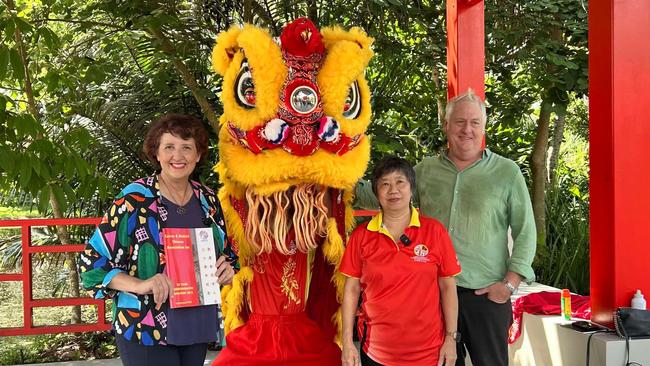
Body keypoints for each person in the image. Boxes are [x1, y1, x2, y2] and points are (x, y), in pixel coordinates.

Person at [356, 89, 537, 366]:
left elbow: (526, 231)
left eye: (475, 122)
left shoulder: (506, 172)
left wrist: (509, 285)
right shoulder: (426, 170)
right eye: (460, 122)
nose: (467, 129)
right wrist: (338, 177)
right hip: (433, 297)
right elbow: (384, 192)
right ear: (446, 126)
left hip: (485, 297)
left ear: (484, 126)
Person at [78, 114, 238, 366]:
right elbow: (92, 265)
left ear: (198, 155)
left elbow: (227, 254)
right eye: (169, 147)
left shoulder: (208, 200)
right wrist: (139, 284)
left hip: (196, 324)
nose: (178, 156)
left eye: (187, 147)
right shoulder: (134, 199)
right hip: (144, 325)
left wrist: (227, 269)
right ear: (157, 153)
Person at [341, 156, 461, 366]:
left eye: (400, 182)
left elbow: (448, 287)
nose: (393, 190)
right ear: (376, 193)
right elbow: (351, 290)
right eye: (384, 184)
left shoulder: (434, 231)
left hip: (428, 353)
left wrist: (451, 338)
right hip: (376, 352)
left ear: (411, 189)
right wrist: (347, 341)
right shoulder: (362, 236)